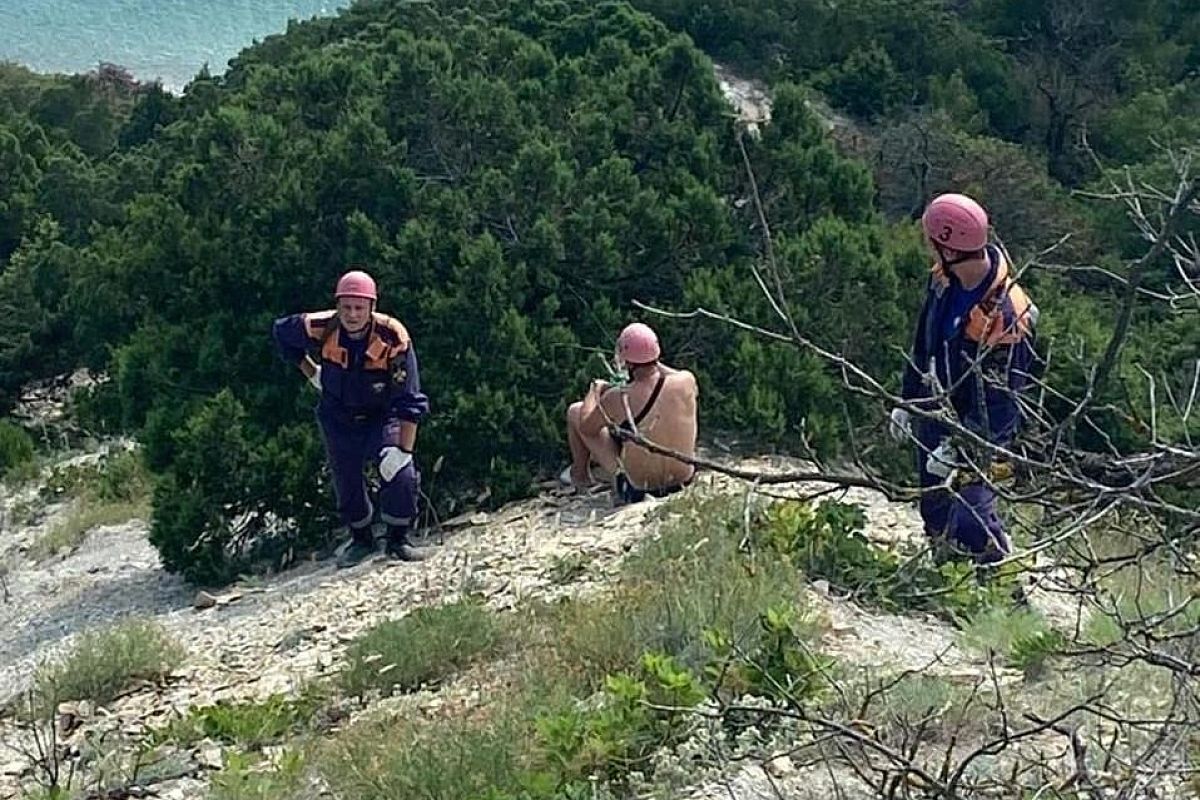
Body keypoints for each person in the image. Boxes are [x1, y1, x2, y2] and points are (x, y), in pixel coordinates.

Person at [889, 193, 1038, 565]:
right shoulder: (943, 280)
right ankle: (946, 576)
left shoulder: (1004, 316)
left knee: (973, 514)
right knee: (935, 506)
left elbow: (1003, 402)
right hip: (937, 409)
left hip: (980, 427)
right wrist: (908, 401)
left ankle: (1001, 592)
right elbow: (924, 342)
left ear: (949, 248)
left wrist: (963, 449)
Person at [272, 269, 431, 567]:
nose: (352, 314)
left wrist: (403, 450)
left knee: (401, 472)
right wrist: (312, 373)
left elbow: (410, 398)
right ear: (337, 305)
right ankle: (361, 539)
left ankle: (398, 539)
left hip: (382, 416)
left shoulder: (393, 336)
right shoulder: (322, 325)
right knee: (345, 479)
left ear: (372, 307)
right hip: (337, 416)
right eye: (346, 307)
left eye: (359, 307)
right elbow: (281, 332)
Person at [563, 322, 698, 505]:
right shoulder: (687, 380)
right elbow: (664, 374)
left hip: (638, 489)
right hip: (683, 480)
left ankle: (580, 476)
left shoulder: (619, 397)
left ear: (627, 360)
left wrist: (596, 389)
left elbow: (586, 426)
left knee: (575, 411)